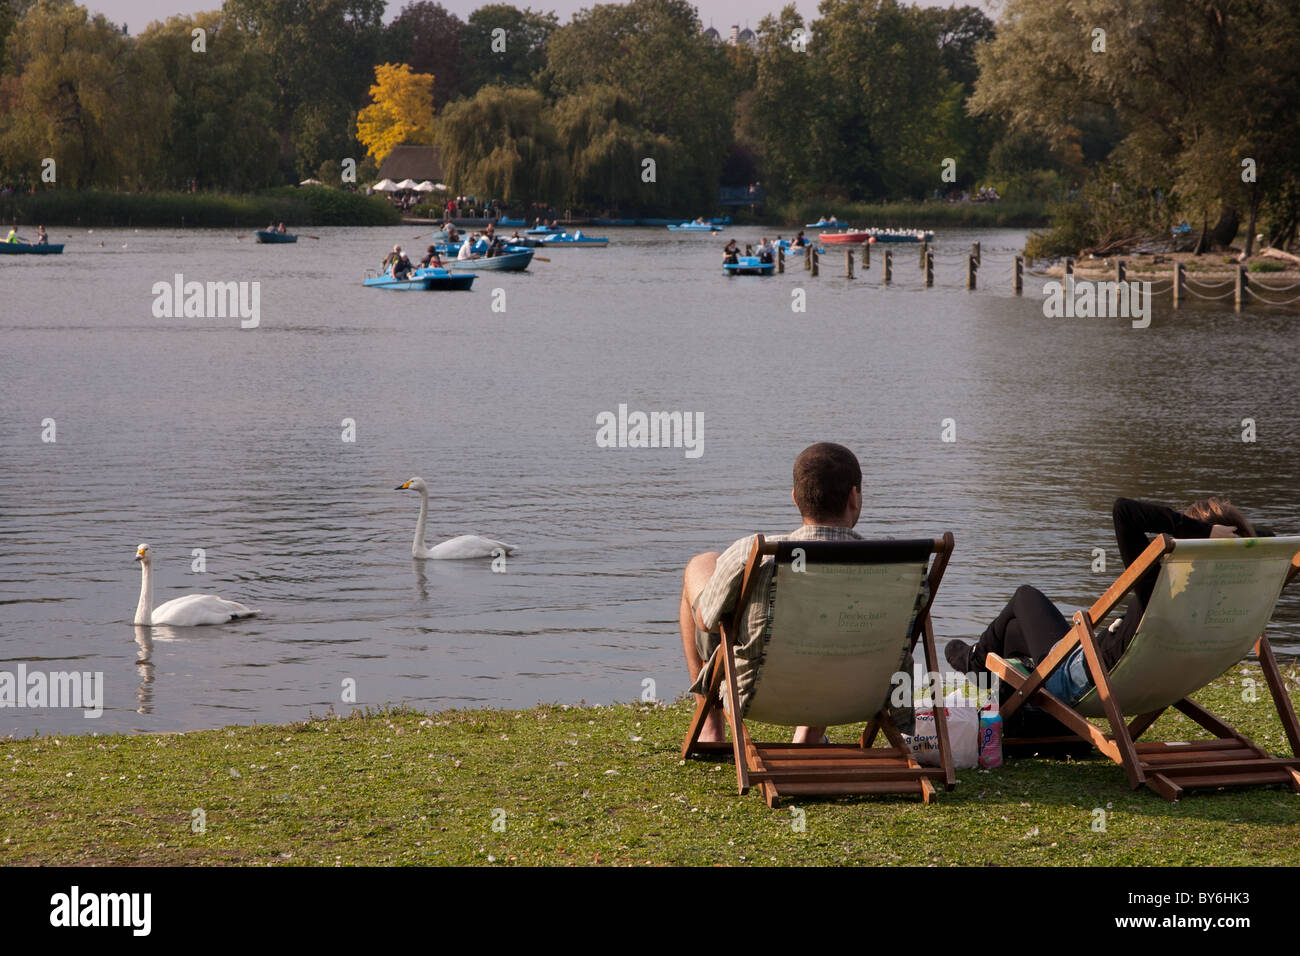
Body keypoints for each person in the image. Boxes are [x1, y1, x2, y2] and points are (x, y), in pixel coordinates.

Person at [680, 443, 912, 745]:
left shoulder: (756, 554)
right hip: (863, 695)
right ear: (854, 497)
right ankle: (809, 733)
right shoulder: (897, 565)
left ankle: (711, 727)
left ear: (795, 499)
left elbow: (707, 622)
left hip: (759, 694)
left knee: (701, 566)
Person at [945, 497, 1254, 704]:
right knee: (1014, 628)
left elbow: (1124, 511)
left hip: (1074, 679)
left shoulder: (1162, 591)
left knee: (1026, 596)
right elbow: (1262, 536)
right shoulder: (1233, 599)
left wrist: (1204, 529)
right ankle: (981, 662)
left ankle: (975, 660)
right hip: (1145, 683)